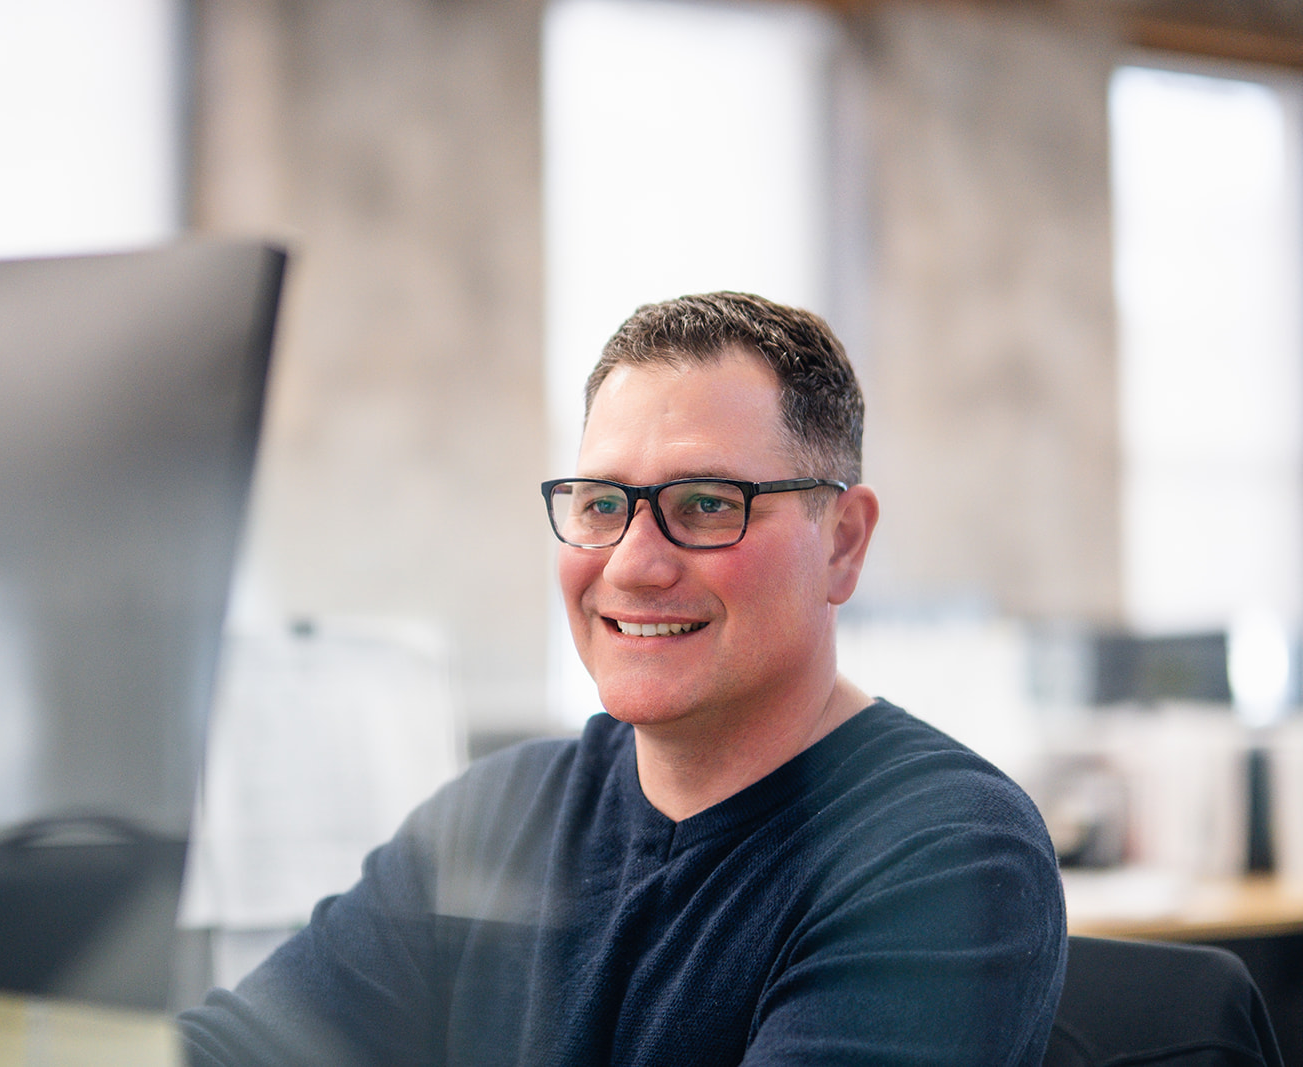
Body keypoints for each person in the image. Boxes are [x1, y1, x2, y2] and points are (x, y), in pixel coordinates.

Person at [180, 292, 1067, 1066]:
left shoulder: (950, 852)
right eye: (603, 505)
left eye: (708, 504)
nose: (636, 565)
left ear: (842, 541)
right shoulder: (496, 819)